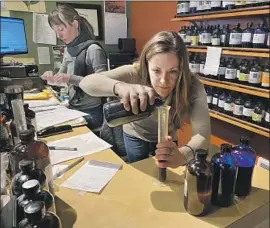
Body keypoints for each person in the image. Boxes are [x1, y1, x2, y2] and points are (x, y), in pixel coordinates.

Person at [66, 31, 210, 168]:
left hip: (167, 138)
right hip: (135, 134)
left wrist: (184, 154)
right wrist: (120, 87)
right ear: (147, 65)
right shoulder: (135, 72)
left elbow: (202, 134)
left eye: (173, 72)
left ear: (182, 69)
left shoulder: (192, 85)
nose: (163, 81)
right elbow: (87, 83)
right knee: (141, 172)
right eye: (156, 71)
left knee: (167, 176)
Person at [41, 4, 107, 131]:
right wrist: (51, 76)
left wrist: (70, 78)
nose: (58, 36)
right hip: (73, 107)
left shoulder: (93, 49)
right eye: (55, 31)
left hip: (92, 112)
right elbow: (61, 78)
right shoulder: (68, 49)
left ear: (75, 24)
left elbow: (104, 84)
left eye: (61, 29)